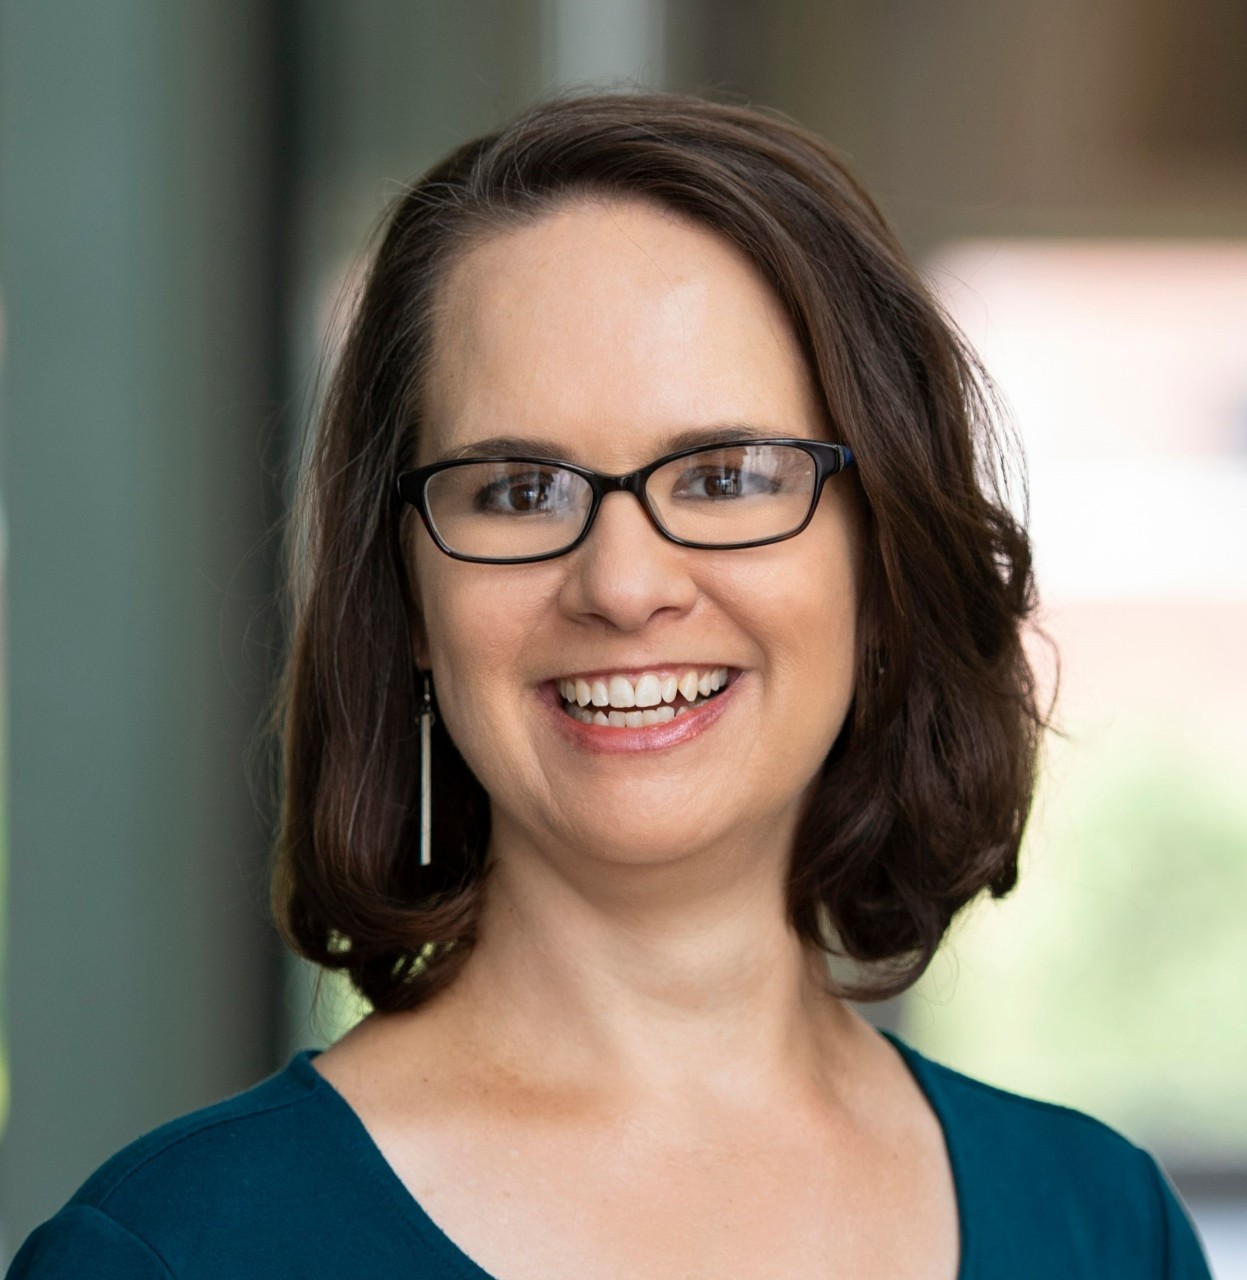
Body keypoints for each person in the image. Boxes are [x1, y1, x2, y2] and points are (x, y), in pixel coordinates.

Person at [9, 91, 1213, 1279]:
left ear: (879, 559)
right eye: (518, 491)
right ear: (408, 598)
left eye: (725, 476)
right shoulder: (175, 1250)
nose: (623, 585)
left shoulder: (1104, 1228)